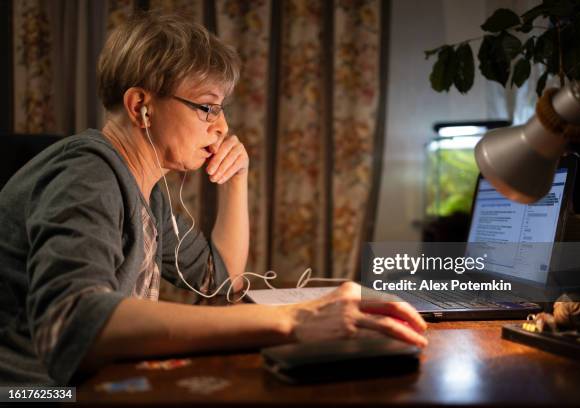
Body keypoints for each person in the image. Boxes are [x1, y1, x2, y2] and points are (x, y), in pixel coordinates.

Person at [0, 13, 427, 386]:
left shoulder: (147, 189)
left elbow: (221, 283)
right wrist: (296, 320)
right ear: (141, 106)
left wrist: (236, 180)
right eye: (207, 107)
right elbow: (76, 323)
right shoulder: (89, 173)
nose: (222, 126)